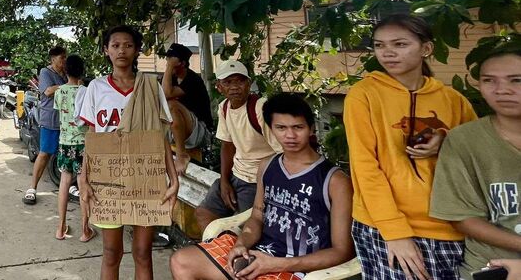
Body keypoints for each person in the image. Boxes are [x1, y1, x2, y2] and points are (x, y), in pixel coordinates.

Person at [344, 14, 477, 280]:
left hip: (450, 224)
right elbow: (365, 167)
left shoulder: (453, 100)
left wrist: (444, 141)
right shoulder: (364, 94)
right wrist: (395, 232)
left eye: (400, 44)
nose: (388, 53)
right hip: (384, 225)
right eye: (379, 45)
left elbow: (477, 154)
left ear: (426, 49)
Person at [170, 94, 355, 280]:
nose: (290, 135)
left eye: (298, 127)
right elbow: (257, 217)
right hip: (260, 255)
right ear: (271, 129)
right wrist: (241, 245)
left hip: (300, 269)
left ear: (311, 128)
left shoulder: (335, 181)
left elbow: (342, 251)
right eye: (281, 128)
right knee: (182, 261)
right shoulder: (267, 166)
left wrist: (277, 264)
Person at [77, 25, 179, 280]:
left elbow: (160, 137)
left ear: (136, 51)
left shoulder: (150, 87)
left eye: (128, 45)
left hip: (145, 178)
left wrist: (173, 177)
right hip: (106, 181)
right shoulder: (96, 88)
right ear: (106, 51)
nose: (122, 50)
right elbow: (92, 140)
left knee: (143, 252)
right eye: (115, 45)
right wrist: (83, 178)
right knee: (111, 252)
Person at [430, 44, 521, 279]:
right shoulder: (464, 140)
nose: (502, 90)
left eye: (516, 80)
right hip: (491, 267)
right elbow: (462, 217)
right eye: (489, 80)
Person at [195, 60, 282, 231]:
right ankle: (222, 254)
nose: (235, 87)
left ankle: (236, 253)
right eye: (228, 82)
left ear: (249, 84)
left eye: (240, 81)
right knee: (204, 213)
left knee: (247, 229)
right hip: (237, 175)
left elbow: (283, 151)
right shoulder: (225, 107)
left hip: (257, 181)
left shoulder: (261, 108)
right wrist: (225, 181)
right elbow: (227, 146)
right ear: (219, 87)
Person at [54, 54, 94, 242]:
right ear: (82, 70)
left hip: (64, 142)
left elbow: (60, 114)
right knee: (82, 184)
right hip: (83, 144)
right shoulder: (86, 91)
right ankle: (85, 231)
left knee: (64, 184)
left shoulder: (59, 91)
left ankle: (60, 228)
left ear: (65, 70)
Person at [24, 46, 67, 205]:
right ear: (53, 59)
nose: (64, 60)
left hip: (66, 121)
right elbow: (48, 91)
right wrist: (69, 85)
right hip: (50, 120)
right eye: (62, 57)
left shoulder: (65, 74)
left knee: (67, 154)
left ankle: (68, 187)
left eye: (65, 57)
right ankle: (32, 188)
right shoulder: (46, 72)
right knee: (44, 154)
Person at [162, 43, 214, 171]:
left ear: (183, 64)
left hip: (200, 131)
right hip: (180, 130)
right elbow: (162, 95)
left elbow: (167, 94)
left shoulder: (193, 80)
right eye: (167, 60)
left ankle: (181, 155)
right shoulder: (170, 79)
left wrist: (169, 67)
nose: (168, 63)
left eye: (172, 61)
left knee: (172, 105)